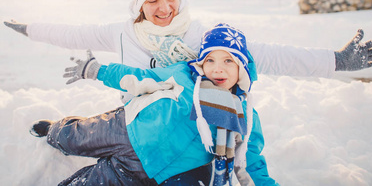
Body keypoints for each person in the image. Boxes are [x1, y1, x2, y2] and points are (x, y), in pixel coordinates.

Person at [4, 0, 372, 184]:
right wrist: (30, 29)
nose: (164, 7)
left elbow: (265, 55)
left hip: (184, 144)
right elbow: (70, 33)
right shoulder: (121, 34)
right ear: (139, 2)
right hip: (132, 121)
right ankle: (57, 131)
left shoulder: (205, 36)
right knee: (78, 135)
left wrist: (335, 61)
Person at [30, 23, 279, 186]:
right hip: (125, 127)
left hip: (148, 168)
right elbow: (140, 78)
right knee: (76, 136)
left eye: (228, 60)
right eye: (210, 59)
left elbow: (250, 162)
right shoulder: (184, 76)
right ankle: (54, 131)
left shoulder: (243, 116)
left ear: (242, 67)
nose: (218, 68)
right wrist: (98, 70)